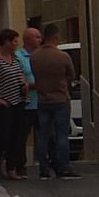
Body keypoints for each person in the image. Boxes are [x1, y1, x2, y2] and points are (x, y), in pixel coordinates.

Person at [30, 24, 79, 179]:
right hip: (60, 99)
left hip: (43, 99)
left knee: (43, 135)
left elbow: (35, 75)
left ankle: (44, 168)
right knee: (62, 135)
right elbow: (71, 74)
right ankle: (63, 166)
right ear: (56, 37)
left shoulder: (35, 57)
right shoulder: (63, 57)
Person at [0, 28, 29, 181]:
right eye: (14, 41)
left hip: (18, 101)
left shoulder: (15, 58)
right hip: (3, 104)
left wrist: (25, 85)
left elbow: (21, 74)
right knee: (3, 135)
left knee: (16, 135)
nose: (16, 44)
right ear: (6, 42)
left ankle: (11, 168)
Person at [16, 26, 42, 179]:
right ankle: (21, 166)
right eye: (37, 37)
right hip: (26, 104)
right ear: (28, 40)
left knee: (46, 135)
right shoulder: (19, 57)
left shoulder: (41, 55)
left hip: (41, 102)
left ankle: (47, 164)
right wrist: (35, 85)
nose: (40, 40)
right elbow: (20, 79)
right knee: (21, 136)